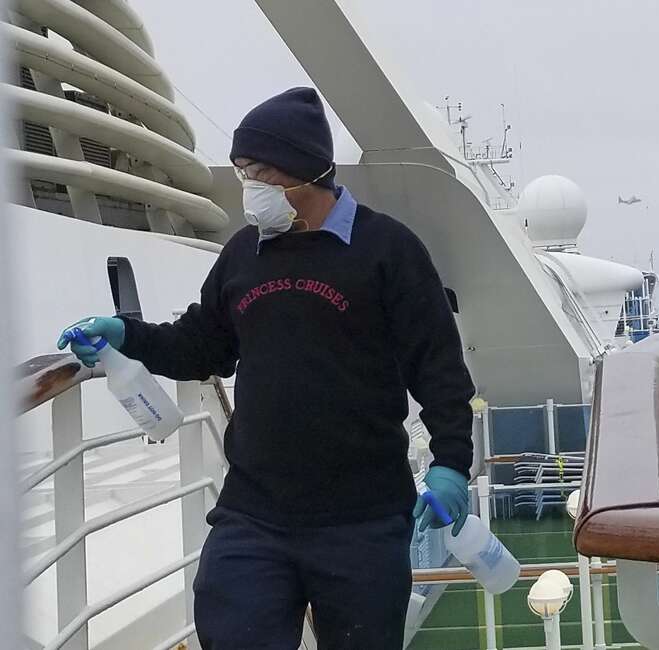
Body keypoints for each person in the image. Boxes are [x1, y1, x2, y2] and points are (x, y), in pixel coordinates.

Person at [57, 87, 476, 649]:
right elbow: (201, 347)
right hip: (254, 513)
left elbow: (439, 367)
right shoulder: (242, 254)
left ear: (306, 172)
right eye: (242, 169)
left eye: (259, 171)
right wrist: (127, 336)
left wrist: (451, 462)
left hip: (364, 519)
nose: (247, 185)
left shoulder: (389, 251)